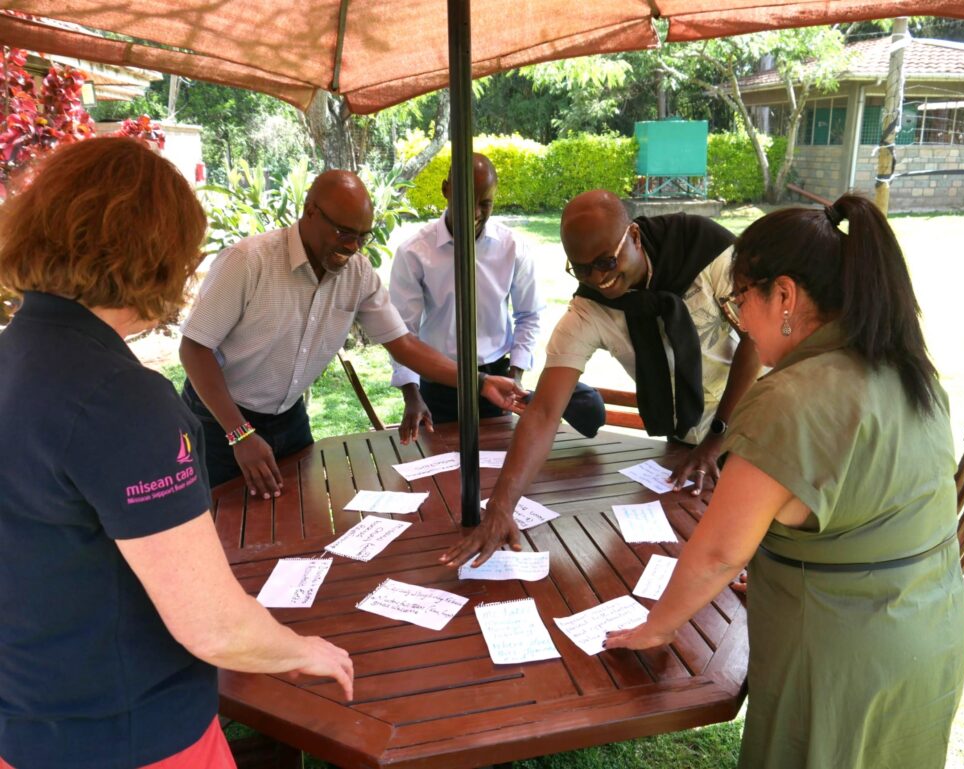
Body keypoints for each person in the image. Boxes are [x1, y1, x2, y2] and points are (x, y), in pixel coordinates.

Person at [0, 137, 354, 769]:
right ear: (159, 257)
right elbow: (212, 624)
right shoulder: (122, 400)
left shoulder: (15, 357)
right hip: (132, 735)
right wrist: (302, 650)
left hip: (26, 720)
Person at [605, 194, 964, 769]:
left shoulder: (789, 397)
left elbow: (720, 554)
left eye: (738, 300)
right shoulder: (907, 367)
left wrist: (657, 627)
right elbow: (870, 510)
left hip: (842, 662)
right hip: (932, 632)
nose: (737, 321)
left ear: (784, 297)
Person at [440, 188, 761, 567]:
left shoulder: (705, 250)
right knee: (694, 556)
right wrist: (500, 508)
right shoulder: (589, 311)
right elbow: (544, 413)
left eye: (606, 262)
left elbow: (755, 339)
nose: (598, 278)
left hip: (757, 425)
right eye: (581, 269)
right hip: (688, 445)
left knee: (752, 555)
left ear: (634, 236)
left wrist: (718, 436)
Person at [179, 169, 523, 497]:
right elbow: (194, 348)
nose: (353, 247)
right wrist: (239, 434)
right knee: (221, 518)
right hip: (219, 418)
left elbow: (404, 345)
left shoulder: (357, 273)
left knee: (295, 515)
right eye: (344, 233)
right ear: (310, 211)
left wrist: (480, 382)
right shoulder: (247, 261)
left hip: (288, 418)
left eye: (362, 236)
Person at [389, 153, 604, 442]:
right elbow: (402, 332)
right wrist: (411, 393)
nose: (475, 212)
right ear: (446, 190)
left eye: (485, 203)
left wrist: (515, 376)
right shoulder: (414, 252)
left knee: (496, 461)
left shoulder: (512, 247)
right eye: (466, 200)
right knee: (441, 464)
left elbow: (529, 315)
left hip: (496, 376)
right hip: (437, 380)